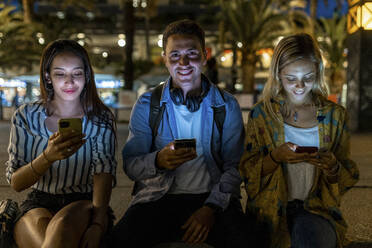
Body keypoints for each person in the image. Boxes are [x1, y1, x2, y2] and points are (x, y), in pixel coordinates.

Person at [111, 19, 247, 247]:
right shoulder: (147, 105)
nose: (183, 62)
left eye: (191, 53)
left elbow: (235, 166)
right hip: (158, 198)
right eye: (174, 55)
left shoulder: (226, 105)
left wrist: (210, 208)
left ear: (204, 56)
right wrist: (158, 160)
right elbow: (131, 165)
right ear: (165, 59)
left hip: (213, 199)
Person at [239, 33, 359, 248]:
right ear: (278, 74)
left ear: (319, 72)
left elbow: (345, 177)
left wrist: (332, 167)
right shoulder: (262, 115)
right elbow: (248, 172)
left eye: (308, 77)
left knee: (309, 238)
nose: (300, 86)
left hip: (317, 209)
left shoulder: (335, 116)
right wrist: (276, 157)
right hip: (269, 211)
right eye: (291, 79)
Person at [5, 39, 117, 248]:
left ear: (86, 76)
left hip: (83, 203)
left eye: (77, 73)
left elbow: (104, 172)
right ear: (48, 77)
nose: (69, 82)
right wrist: (47, 157)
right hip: (38, 202)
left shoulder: (100, 118)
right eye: (60, 74)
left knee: (63, 225)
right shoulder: (26, 116)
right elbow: (16, 182)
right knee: (47, 235)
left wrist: (98, 224)